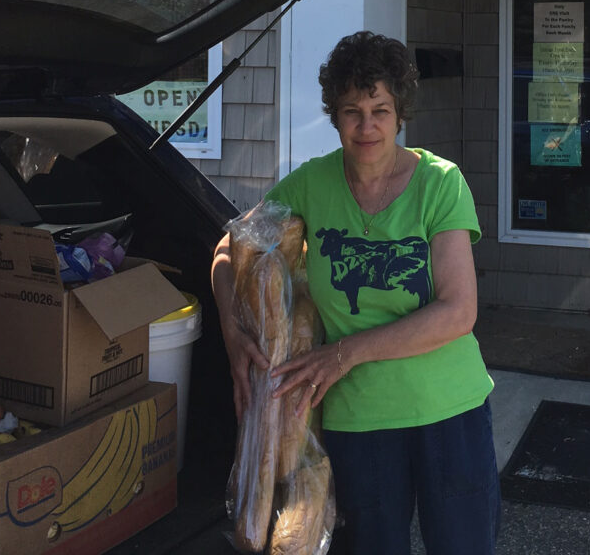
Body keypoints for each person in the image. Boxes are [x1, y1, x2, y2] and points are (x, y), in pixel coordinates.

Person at [212, 30, 500, 555]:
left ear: (400, 113)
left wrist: (345, 352)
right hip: (359, 422)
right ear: (334, 115)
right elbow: (229, 252)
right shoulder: (309, 186)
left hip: (449, 413)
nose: (367, 126)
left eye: (380, 110)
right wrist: (234, 337)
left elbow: (459, 311)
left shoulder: (440, 183)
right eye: (351, 111)